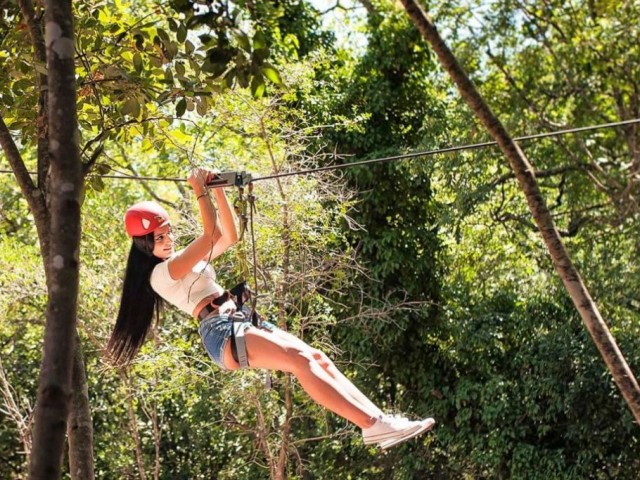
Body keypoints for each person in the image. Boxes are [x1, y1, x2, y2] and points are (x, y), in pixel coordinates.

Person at [106, 168, 435, 449]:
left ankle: (379, 422)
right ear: (145, 245)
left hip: (238, 317)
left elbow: (228, 236)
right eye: (159, 237)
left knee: (317, 357)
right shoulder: (161, 274)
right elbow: (210, 234)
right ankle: (371, 424)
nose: (168, 239)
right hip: (221, 333)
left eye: (168, 232)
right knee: (301, 362)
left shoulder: (182, 262)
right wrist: (199, 190)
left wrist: (217, 190)